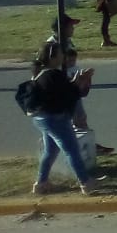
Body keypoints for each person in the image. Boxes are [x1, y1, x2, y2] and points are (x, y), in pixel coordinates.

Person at [25, 40, 97, 196]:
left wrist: (75, 82)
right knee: (71, 150)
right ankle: (85, 182)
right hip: (56, 119)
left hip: (42, 119)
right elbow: (69, 95)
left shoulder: (41, 74)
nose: (63, 56)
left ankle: (41, 183)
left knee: (50, 151)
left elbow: (60, 92)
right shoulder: (54, 75)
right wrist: (79, 83)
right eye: (60, 53)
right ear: (52, 56)